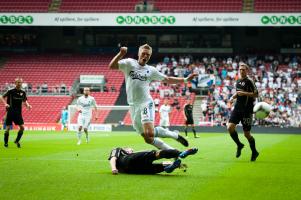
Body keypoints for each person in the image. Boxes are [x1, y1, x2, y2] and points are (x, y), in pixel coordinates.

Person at [109, 44, 198, 150]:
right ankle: (173, 149)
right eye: (143, 53)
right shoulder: (129, 63)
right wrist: (121, 54)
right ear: (139, 53)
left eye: (148, 55)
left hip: (145, 103)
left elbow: (167, 79)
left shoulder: (151, 70)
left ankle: (172, 139)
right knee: (147, 138)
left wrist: (185, 80)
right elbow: (112, 66)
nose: (145, 56)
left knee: (150, 132)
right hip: (133, 106)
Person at [227, 63, 259, 162]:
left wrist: (244, 93)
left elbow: (256, 94)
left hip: (247, 110)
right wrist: (232, 98)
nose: (241, 71)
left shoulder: (250, 81)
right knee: (230, 127)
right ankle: (239, 145)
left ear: (247, 71)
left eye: (243, 70)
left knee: (247, 134)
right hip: (237, 108)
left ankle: (254, 152)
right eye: (240, 69)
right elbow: (238, 93)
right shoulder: (238, 81)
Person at [108, 147, 198, 175]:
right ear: (126, 149)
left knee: (153, 167)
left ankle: (169, 167)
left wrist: (180, 165)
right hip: (128, 161)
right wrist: (113, 169)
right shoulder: (119, 149)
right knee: (155, 154)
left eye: (132, 150)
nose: (131, 150)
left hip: (132, 171)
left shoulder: (132, 154)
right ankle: (180, 153)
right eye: (130, 149)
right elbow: (113, 158)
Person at [0, 78, 32, 148]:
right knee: (7, 129)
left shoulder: (23, 92)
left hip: (18, 113)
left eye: (20, 82)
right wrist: (5, 104)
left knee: (22, 127)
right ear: (15, 83)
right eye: (18, 82)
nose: (19, 84)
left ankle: (17, 141)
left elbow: (25, 101)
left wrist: (28, 105)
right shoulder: (10, 91)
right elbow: (2, 97)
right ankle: (6, 143)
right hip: (10, 112)